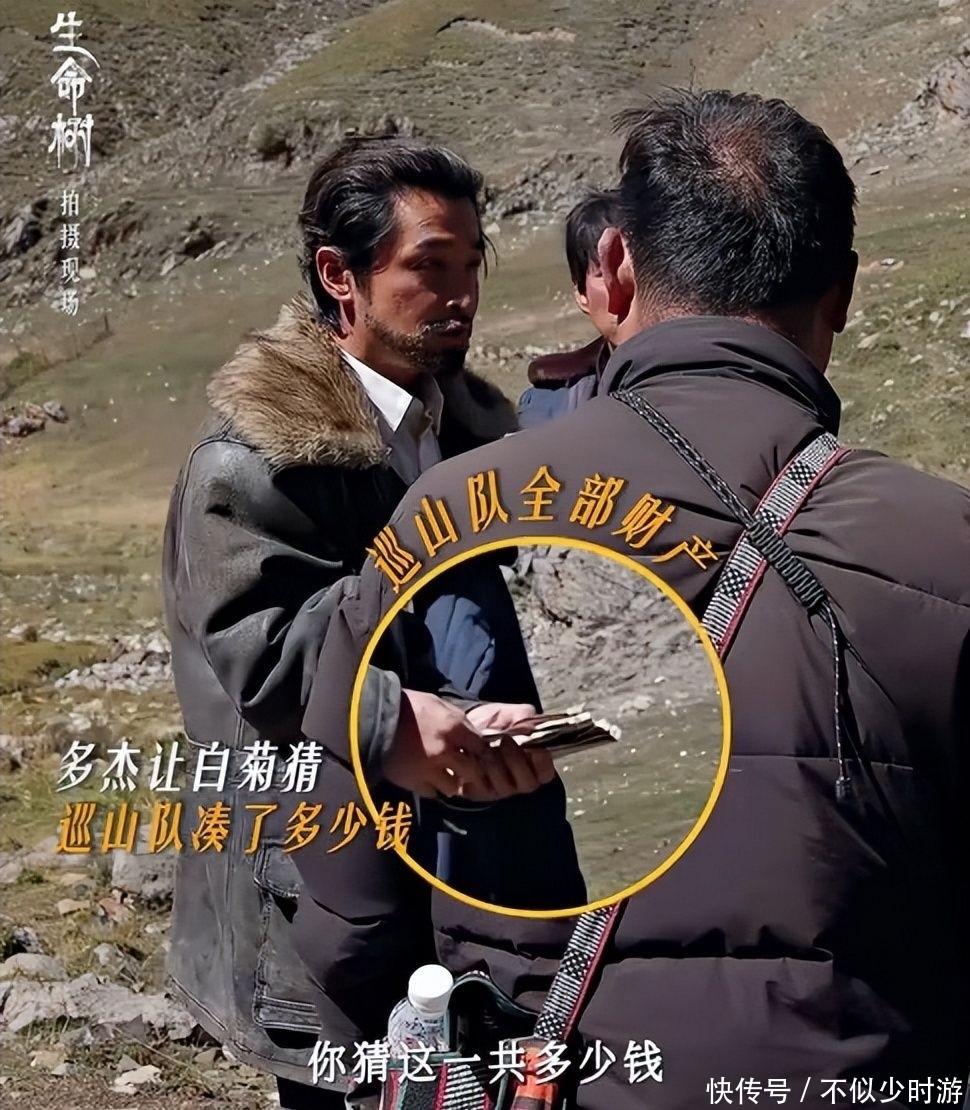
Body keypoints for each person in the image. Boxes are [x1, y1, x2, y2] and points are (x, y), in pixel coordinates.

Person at [305, 90, 970, 1102]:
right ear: (839, 294)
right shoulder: (947, 546)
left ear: (612, 265)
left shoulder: (452, 509)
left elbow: (344, 880)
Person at [161, 135, 578, 1109]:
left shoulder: (466, 435)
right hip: (320, 892)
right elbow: (267, 660)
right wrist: (394, 718)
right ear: (338, 276)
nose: (459, 295)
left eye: (471, 265)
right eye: (428, 266)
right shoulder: (254, 465)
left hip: (465, 864)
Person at [516, 188, 620, 429]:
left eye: (635, 270)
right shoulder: (544, 410)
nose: (621, 284)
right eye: (602, 273)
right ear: (581, 294)